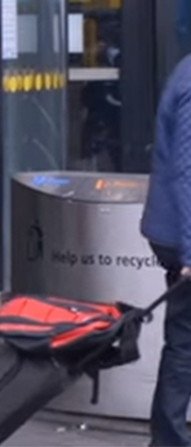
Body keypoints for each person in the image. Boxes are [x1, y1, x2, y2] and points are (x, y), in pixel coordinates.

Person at [141, 54, 191, 446]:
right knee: (185, 343)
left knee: (184, 340)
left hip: (177, 232)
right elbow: (187, 171)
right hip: (182, 236)